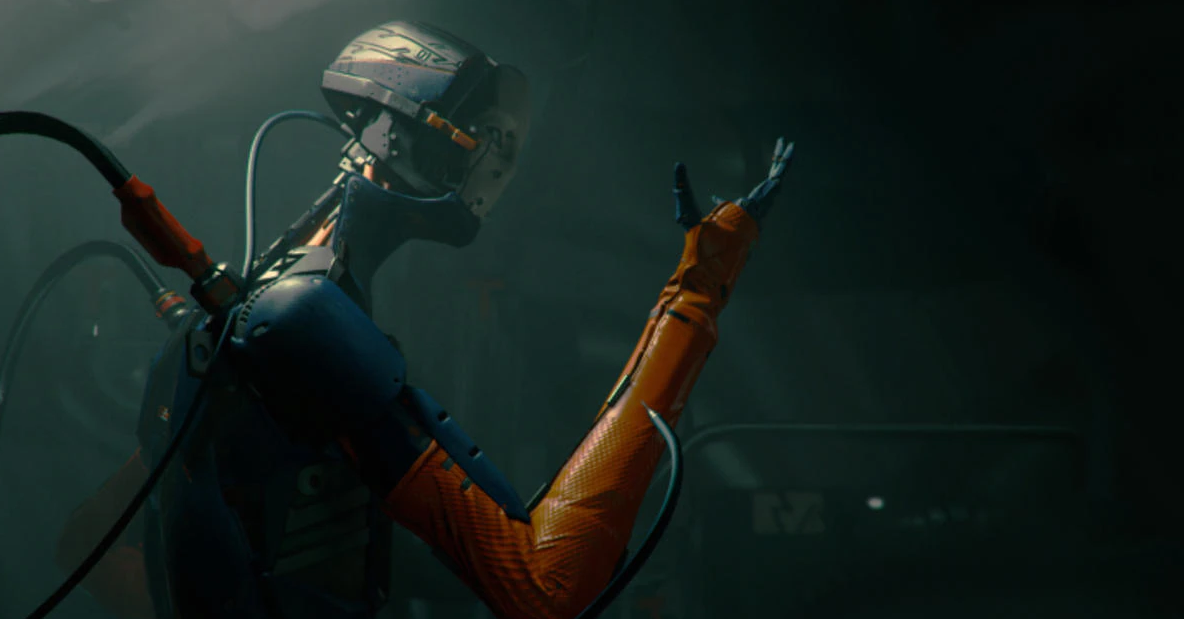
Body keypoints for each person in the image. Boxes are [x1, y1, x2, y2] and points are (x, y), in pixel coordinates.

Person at [54, 20, 792, 619]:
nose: (495, 168)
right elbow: (547, 586)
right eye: (480, 138)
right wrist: (699, 289)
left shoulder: (262, 307)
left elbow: (92, 538)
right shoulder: (302, 320)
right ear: (411, 135)